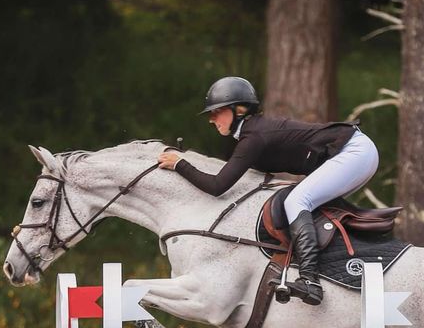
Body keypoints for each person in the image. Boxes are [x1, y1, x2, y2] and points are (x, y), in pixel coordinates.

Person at [157, 76, 380, 306]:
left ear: (239, 109)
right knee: (304, 203)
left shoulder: (254, 138)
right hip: (356, 152)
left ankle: (310, 281)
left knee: (296, 201)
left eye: (217, 112)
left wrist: (179, 164)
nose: (211, 120)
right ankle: (335, 268)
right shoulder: (252, 134)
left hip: (354, 152)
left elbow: (217, 186)